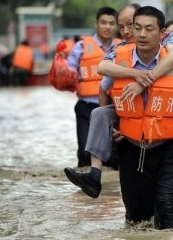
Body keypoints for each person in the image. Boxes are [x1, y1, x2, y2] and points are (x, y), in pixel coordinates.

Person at [64, 4, 173, 201]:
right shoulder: (119, 51)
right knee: (99, 114)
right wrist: (134, 76)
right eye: (125, 27)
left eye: (132, 25)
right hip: (132, 123)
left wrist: (145, 81)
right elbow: (103, 74)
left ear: (159, 31)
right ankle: (94, 176)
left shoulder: (171, 44)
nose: (129, 31)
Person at [109, 6, 173, 229]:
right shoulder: (119, 60)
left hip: (169, 147)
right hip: (130, 145)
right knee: (137, 221)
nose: (142, 34)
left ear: (162, 32)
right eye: (137, 28)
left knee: (169, 215)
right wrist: (112, 126)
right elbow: (104, 92)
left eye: (149, 29)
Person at [66, 6, 117, 168]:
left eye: (111, 23)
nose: (107, 27)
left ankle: (110, 190)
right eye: (103, 22)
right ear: (96, 24)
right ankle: (83, 185)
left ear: (116, 26)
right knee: (85, 153)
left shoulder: (121, 47)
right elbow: (68, 72)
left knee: (114, 157)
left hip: (114, 108)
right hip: (87, 107)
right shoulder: (81, 47)